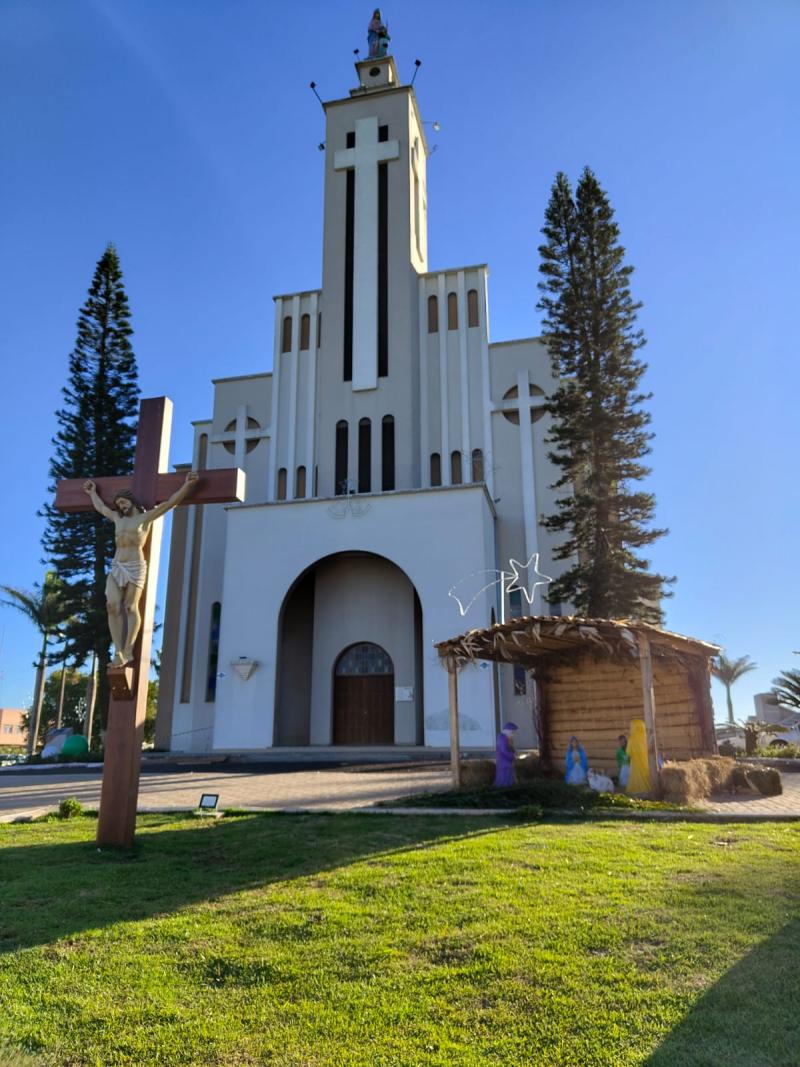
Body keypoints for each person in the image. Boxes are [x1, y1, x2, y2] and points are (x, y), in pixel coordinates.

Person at [83, 473, 198, 666]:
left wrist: (187, 485)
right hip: (117, 566)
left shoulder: (145, 518)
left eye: (123, 502)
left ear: (131, 501)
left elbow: (170, 503)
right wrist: (92, 493)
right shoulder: (117, 519)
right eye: (118, 504)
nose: (120, 506)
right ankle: (118, 651)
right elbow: (101, 508)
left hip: (135, 566)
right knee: (111, 605)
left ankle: (128, 650)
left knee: (130, 607)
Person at [626, 718, 651, 794]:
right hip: (646, 762)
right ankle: (647, 788)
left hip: (635, 763)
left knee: (636, 776)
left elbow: (628, 753)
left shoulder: (632, 740)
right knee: (645, 774)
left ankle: (638, 790)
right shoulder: (646, 738)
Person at [494, 721, 518, 787]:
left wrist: (513, 752)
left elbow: (508, 748)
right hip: (504, 763)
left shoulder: (504, 738)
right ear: (508, 731)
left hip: (505, 762)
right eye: (512, 732)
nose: (513, 734)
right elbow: (504, 750)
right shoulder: (503, 738)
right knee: (504, 778)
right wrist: (512, 756)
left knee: (507, 777)